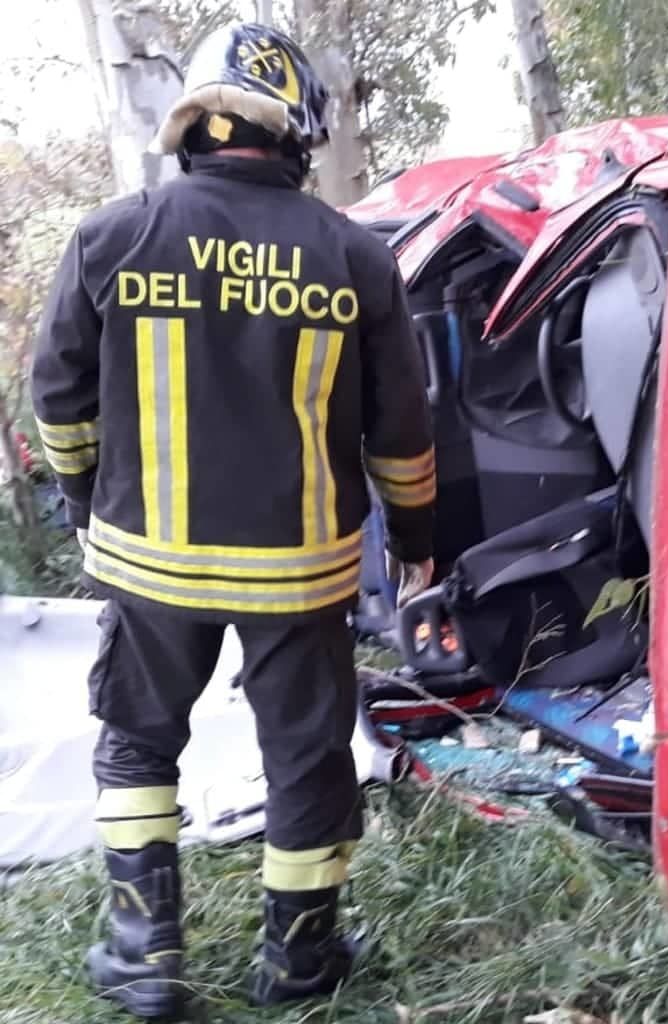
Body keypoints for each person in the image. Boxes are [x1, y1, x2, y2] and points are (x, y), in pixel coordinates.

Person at [28, 23, 435, 1019]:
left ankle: (143, 955)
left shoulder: (111, 237)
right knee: (304, 756)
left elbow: (57, 404)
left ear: (191, 128)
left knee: (136, 742)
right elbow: (402, 432)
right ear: (299, 134)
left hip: (148, 564)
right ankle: (300, 959)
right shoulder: (352, 255)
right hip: (297, 570)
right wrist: (419, 541)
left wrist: (87, 506)